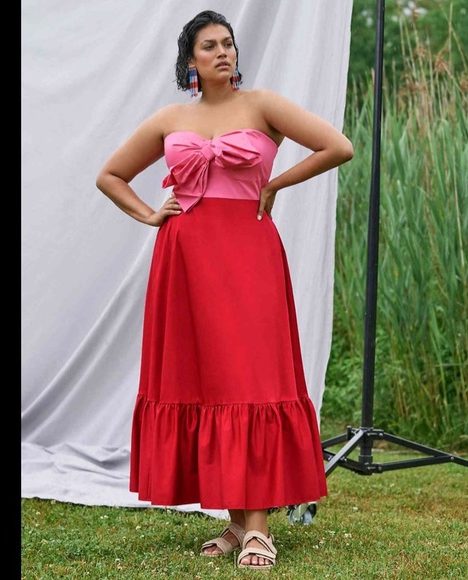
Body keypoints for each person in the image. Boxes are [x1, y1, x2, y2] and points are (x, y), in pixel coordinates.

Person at [95, 9, 354, 571]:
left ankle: (258, 527)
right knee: (208, 378)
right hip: (185, 259)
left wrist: (275, 183)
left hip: (248, 255)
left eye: (228, 43)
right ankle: (239, 523)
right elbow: (109, 175)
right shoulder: (170, 117)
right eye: (209, 45)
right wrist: (151, 215)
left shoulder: (262, 105)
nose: (223, 52)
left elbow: (339, 146)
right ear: (190, 60)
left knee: (250, 377)